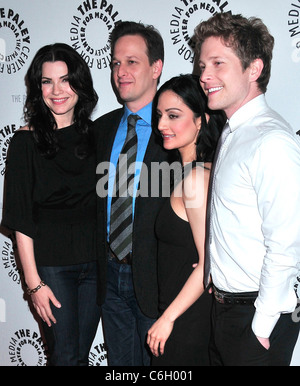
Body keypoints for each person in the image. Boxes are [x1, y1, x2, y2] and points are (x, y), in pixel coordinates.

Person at [195, 12, 300, 366]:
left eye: (218, 64)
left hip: (255, 318)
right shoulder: (232, 130)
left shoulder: (271, 140)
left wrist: (261, 324)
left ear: (253, 69)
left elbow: (285, 243)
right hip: (226, 310)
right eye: (203, 64)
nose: (204, 75)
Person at [2, 43, 100, 366]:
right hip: (52, 270)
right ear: (37, 87)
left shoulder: (97, 137)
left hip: (96, 266)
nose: (57, 90)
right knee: (66, 357)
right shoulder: (24, 142)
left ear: (80, 84)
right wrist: (34, 284)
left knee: (79, 358)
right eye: (47, 81)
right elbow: (20, 221)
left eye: (65, 79)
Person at [94, 21, 174, 366]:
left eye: (132, 61)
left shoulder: (178, 129)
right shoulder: (99, 129)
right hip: (108, 278)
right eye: (115, 62)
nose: (121, 71)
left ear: (156, 67)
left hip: (158, 283)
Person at [146, 74, 226, 365]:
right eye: (160, 115)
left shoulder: (195, 179)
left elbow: (207, 263)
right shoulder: (190, 173)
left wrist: (167, 319)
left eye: (173, 115)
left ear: (201, 120)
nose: (161, 125)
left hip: (186, 320)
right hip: (182, 312)